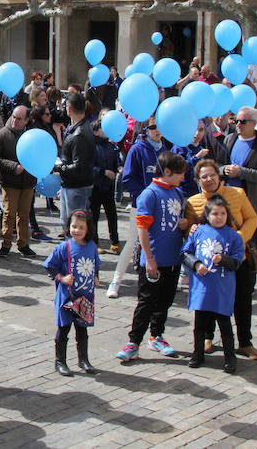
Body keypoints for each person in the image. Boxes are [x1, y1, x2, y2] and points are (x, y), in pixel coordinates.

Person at [183, 159, 257, 360]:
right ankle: (207, 337)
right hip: (208, 265)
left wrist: (239, 238)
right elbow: (192, 235)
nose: (209, 179)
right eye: (204, 177)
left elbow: (252, 218)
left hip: (237, 258)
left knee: (242, 301)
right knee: (207, 301)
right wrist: (189, 229)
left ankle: (245, 342)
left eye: (212, 175)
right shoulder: (193, 202)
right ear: (198, 180)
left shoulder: (237, 194)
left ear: (219, 176)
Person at [115, 151, 188, 362]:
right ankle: (133, 342)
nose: (182, 178)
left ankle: (157, 336)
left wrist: (183, 224)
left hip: (173, 260)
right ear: (167, 172)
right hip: (153, 261)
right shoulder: (150, 194)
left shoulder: (177, 193)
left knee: (165, 301)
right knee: (146, 303)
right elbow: (143, 231)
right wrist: (149, 259)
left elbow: (177, 222)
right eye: (179, 174)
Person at [181, 194, 245, 373]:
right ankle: (198, 354)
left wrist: (223, 259)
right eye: (215, 213)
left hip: (222, 288)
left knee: (224, 324)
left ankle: (230, 358)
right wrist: (196, 264)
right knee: (200, 323)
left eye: (223, 213)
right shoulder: (199, 231)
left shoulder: (234, 237)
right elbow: (185, 253)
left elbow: (237, 262)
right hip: (202, 286)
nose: (219, 217)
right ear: (207, 215)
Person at [108, 116, 169, 298]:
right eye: (153, 127)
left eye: (160, 127)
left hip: (160, 206)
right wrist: (144, 195)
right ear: (146, 129)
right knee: (132, 241)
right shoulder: (137, 150)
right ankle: (116, 281)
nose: (157, 131)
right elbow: (127, 178)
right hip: (140, 205)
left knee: (158, 242)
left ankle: (157, 279)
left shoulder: (165, 151)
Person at [215, 106, 257, 271]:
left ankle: (247, 280)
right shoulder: (230, 139)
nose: (238, 124)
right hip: (228, 200)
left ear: (254, 123)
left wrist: (241, 172)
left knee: (249, 243)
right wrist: (224, 170)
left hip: (250, 201)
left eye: (243, 121)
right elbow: (218, 165)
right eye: (236, 120)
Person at [43, 210, 100, 376]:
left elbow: (96, 264)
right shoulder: (64, 247)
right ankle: (60, 361)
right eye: (74, 226)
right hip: (67, 297)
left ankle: (84, 360)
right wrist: (62, 278)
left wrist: (96, 276)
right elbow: (50, 266)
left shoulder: (91, 247)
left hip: (85, 297)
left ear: (88, 229)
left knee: (82, 329)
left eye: (81, 227)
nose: (77, 230)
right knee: (64, 328)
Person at [0, 105, 37, 258]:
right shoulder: (2, 134)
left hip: (28, 181)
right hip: (10, 181)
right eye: (14, 117)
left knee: (24, 214)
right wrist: (13, 166)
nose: (15, 121)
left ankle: (23, 244)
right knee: (9, 213)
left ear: (26, 121)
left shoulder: (31, 135)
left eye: (19, 119)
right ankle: (6, 243)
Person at [53, 92, 95, 232]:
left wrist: (59, 168)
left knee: (74, 227)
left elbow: (79, 166)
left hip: (76, 187)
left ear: (69, 109)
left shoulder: (80, 134)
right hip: (74, 185)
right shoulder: (80, 127)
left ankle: (73, 252)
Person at [90, 117, 120, 254]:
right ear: (95, 131)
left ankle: (115, 241)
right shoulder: (91, 146)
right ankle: (94, 242)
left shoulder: (111, 146)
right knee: (94, 216)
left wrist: (118, 168)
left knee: (112, 215)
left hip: (108, 186)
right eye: (103, 128)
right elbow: (89, 167)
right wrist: (103, 172)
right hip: (95, 186)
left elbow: (115, 162)